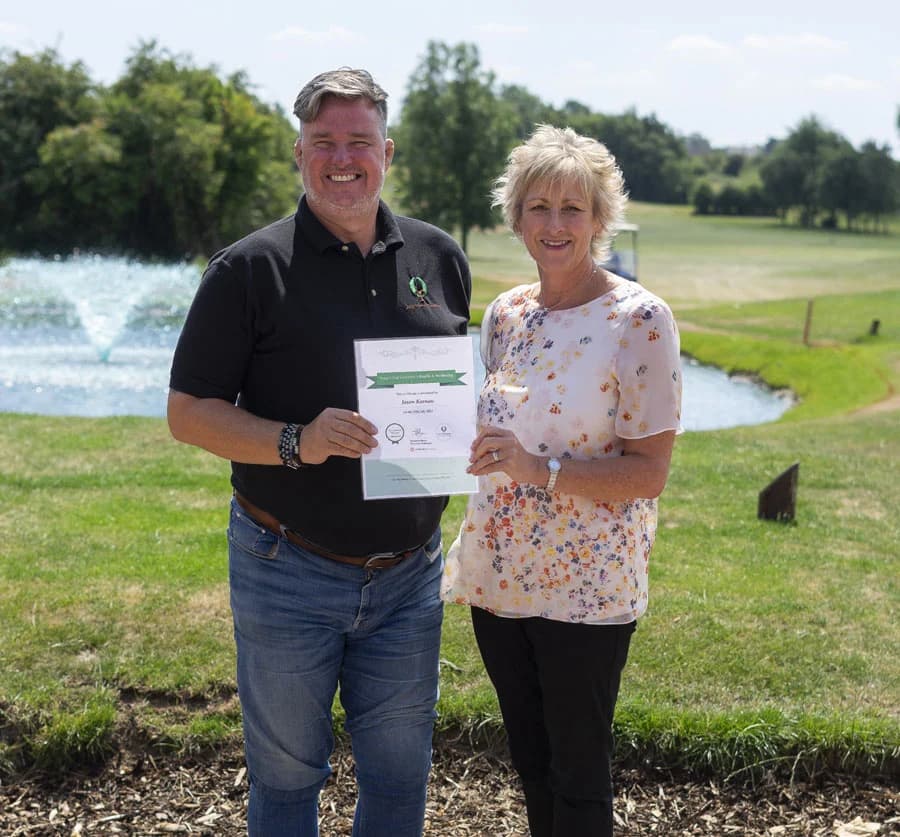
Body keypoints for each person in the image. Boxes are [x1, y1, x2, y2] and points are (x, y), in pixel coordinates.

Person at [167, 68, 470, 837]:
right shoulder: (249, 269)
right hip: (286, 570)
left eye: (359, 142)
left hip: (410, 575)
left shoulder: (439, 256)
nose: (343, 158)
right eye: (324, 142)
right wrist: (297, 440)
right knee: (287, 778)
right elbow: (188, 413)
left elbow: (457, 385)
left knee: (401, 780)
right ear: (298, 151)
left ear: (388, 152)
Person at [441, 125, 682, 837]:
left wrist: (535, 469)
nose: (553, 224)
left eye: (572, 208)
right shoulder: (506, 315)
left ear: (601, 219)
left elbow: (648, 472)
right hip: (499, 576)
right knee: (530, 760)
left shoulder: (638, 319)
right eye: (537, 207)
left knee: (578, 773)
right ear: (515, 216)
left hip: (586, 588)